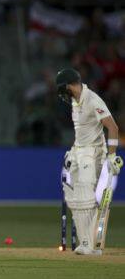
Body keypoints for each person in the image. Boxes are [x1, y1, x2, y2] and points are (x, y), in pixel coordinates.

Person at [56, 68, 123, 255]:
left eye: (62, 88)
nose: (62, 93)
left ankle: (88, 243)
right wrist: (72, 153)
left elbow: (113, 127)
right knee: (75, 198)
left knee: (86, 196)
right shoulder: (74, 102)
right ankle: (88, 243)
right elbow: (81, 133)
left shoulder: (93, 100)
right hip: (79, 152)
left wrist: (111, 156)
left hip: (93, 153)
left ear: (69, 85)